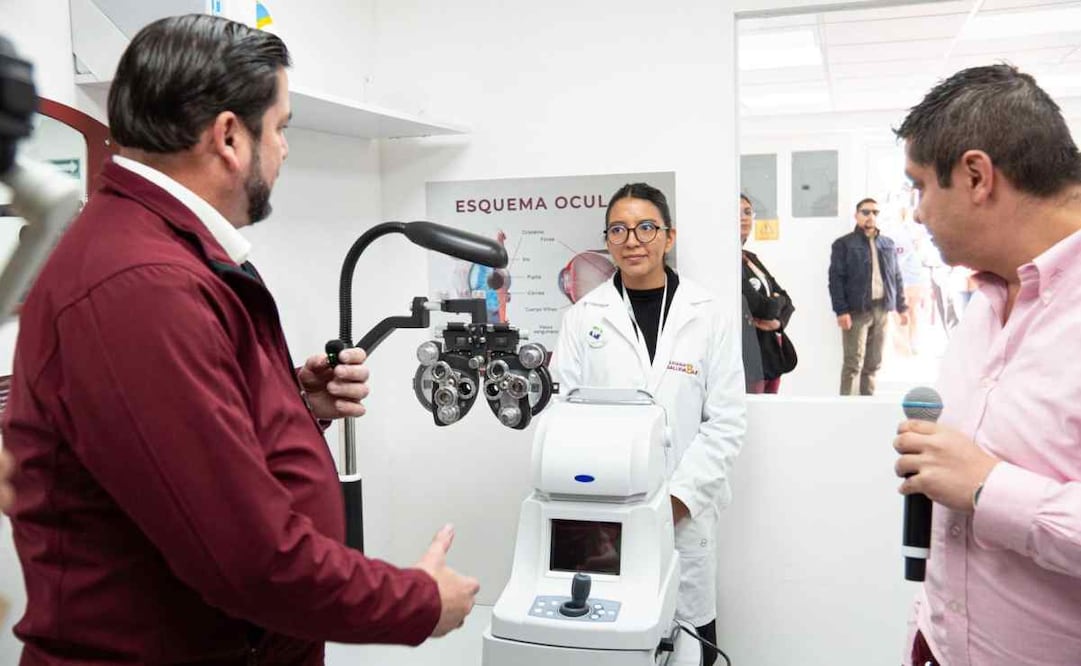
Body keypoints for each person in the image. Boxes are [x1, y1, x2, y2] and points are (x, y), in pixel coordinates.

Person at [0, 15, 478, 665]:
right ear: (229, 136)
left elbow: (174, 453)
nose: (284, 151)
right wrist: (419, 603)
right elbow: (248, 560)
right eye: (279, 129)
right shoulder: (142, 285)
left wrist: (290, 406)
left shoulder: (167, 255)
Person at [893, 64, 1081, 666]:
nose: (917, 212)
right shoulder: (984, 302)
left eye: (920, 186)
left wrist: (988, 487)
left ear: (976, 176)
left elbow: (978, 483)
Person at [553, 183, 746, 666]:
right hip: (605, 516)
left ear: (668, 236)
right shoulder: (583, 318)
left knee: (687, 639)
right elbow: (566, 416)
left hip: (686, 512)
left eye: (645, 227)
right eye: (618, 229)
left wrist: (676, 501)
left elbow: (726, 421)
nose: (632, 240)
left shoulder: (708, 316)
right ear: (608, 239)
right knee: (615, 638)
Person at [828, 198, 909, 395]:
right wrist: (841, 311)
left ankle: (867, 404)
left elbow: (896, 276)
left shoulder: (887, 244)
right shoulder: (843, 244)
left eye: (875, 212)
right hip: (857, 311)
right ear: (857, 216)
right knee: (853, 363)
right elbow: (836, 279)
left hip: (882, 309)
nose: (871, 216)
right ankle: (846, 407)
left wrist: (902, 306)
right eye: (866, 212)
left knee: (873, 363)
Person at [739, 194, 795, 393]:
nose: (744, 217)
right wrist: (774, 304)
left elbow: (787, 300)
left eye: (747, 212)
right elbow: (760, 306)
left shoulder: (750, 258)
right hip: (750, 359)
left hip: (771, 357)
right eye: (737, 212)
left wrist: (777, 322)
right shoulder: (728, 262)